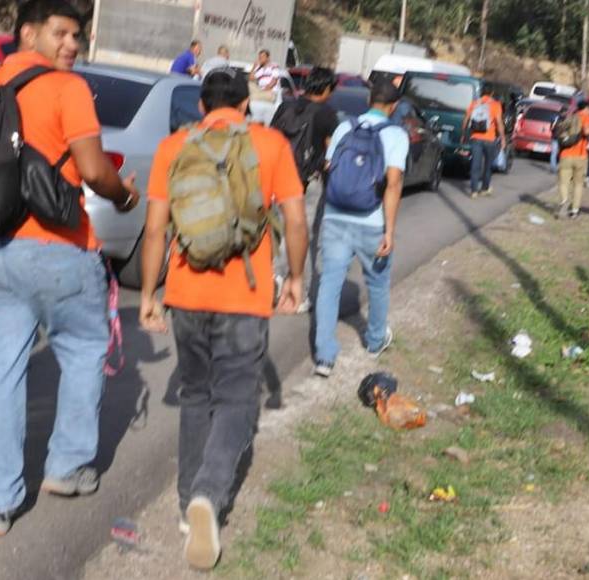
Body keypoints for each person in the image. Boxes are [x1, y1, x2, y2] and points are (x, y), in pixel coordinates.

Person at [0, 0, 139, 537]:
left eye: (78, 36)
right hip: (58, 244)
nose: (72, 45)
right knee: (85, 350)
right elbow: (93, 170)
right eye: (62, 33)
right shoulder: (68, 89)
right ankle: (66, 467)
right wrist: (126, 197)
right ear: (28, 31)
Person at [139, 69, 308, 570]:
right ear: (246, 103)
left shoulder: (175, 146)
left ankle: (187, 504)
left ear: (202, 106)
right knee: (236, 399)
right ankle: (209, 496)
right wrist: (295, 280)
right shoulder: (271, 144)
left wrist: (150, 294)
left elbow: (154, 231)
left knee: (195, 396)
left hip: (186, 293)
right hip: (244, 296)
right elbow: (295, 220)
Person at [313, 80, 408, 377]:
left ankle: (324, 357)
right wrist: (389, 231)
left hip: (336, 216)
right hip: (371, 221)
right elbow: (392, 184)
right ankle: (375, 340)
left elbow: (329, 169)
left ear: (370, 99)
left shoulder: (344, 127)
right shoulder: (395, 135)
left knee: (329, 283)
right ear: (393, 107)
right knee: (378, 282)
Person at [270, 66, 339, 312]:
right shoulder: (327, 114)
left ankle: (274, 282)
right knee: (303, 235)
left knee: (277, 233)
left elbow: (271, 140)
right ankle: (299, 295)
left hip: (278, 180)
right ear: (327, 88)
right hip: (308, 182)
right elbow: (331, 154)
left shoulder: (285, 106)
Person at [556, 99, 589, 220]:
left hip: (565, 154)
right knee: (578, 184)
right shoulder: (586, 117)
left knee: (563, 182)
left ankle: (564, 201)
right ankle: (574, 210)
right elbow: (587, 131)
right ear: (586, 108)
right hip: (580, 155)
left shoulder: (570, 117)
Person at [463, 82, 506, 197]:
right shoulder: (495, 105)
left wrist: (464, 134)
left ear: (481, 92)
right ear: (492, 93)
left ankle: (473, 191)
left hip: (475, 138)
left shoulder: (474, 103)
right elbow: (499, 122)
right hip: (489, 139)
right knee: (488, 164)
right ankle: (484, 188)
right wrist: (502, 138)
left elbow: (466, 120)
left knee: (475, 164)